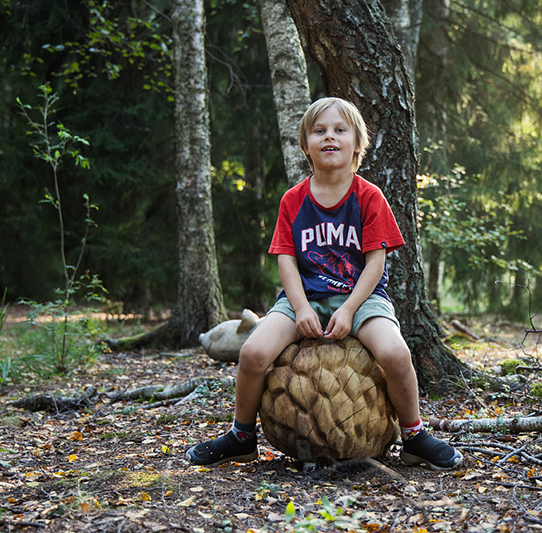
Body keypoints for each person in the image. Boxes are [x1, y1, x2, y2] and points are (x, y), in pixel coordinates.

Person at [186, 97, 463, 471]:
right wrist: (299, 308)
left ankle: (414, 436)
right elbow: (286, 259)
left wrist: (350, 308)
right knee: (252, 354)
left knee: (397, 354)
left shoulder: (369, 197)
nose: (329, 136)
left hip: (362, 297)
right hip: (305, 296)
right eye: (319, 131)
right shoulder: (293, 200)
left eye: (339, 130)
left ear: (356, 144)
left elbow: (375, 263)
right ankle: (241, 436)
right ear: (306, 145)